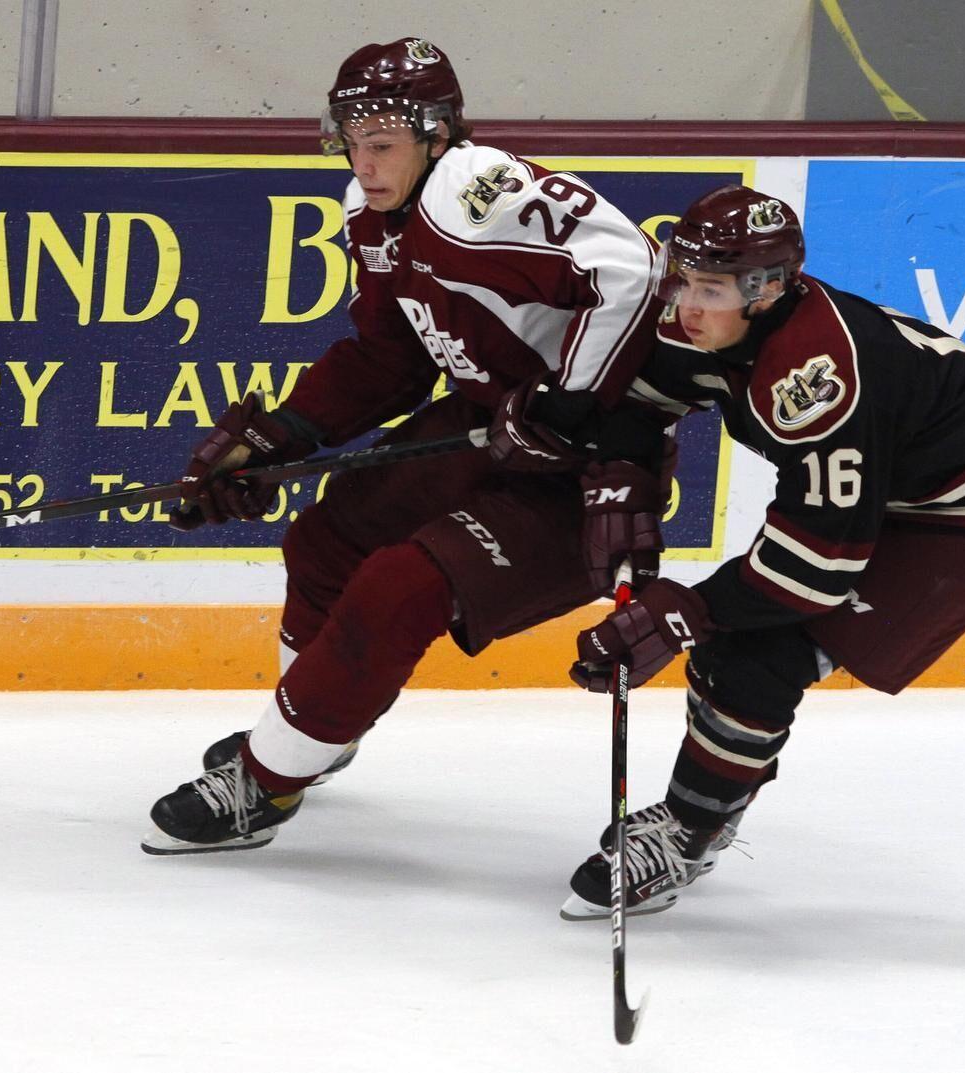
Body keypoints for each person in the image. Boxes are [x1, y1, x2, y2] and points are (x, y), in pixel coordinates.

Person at [141, 37, 671, 854]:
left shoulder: (476, 195)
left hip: (587, 468)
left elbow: (635, 270)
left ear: (439, 134)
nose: (365, 163)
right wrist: (283, 432)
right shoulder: (374, 215)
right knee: (327, 538)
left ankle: (268, 781)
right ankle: (314, 730)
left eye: (382, 143)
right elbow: (392, 357)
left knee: (400, 586)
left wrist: (573, 406)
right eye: (352, 142)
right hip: (489, 430)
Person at [559, 183, 965, 919]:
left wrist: (681, 610)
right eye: (683, 279)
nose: (686, 306)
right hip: (885, 491)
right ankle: (714, 797)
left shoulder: (814, 377)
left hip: (962, 521)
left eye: (710, 288)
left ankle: (689, 832)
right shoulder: (711, 324)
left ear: (762, 293)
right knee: (729, 640)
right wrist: (622, 486)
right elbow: (639, 397)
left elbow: (816, 567)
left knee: (758, 656)